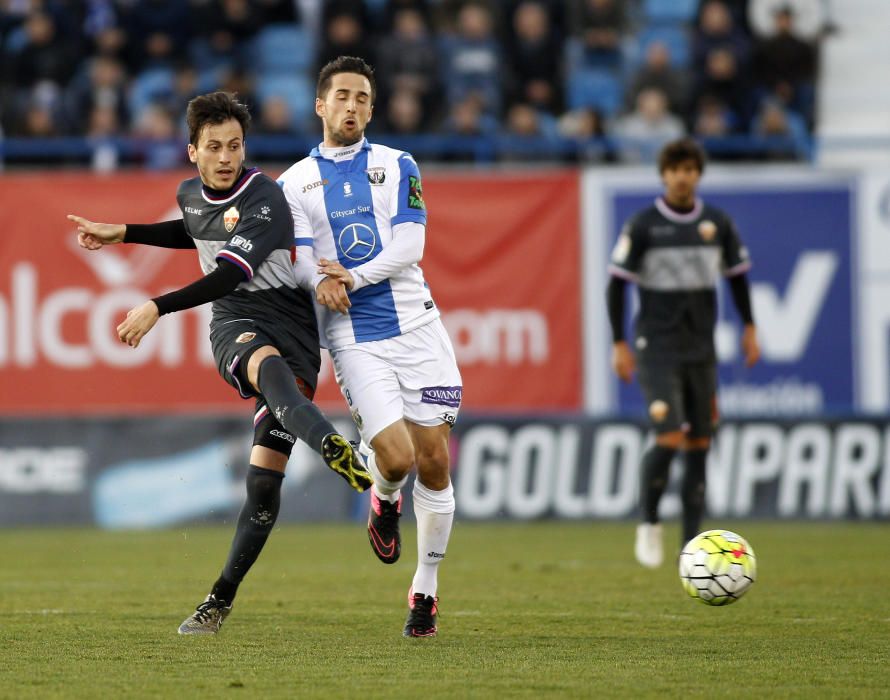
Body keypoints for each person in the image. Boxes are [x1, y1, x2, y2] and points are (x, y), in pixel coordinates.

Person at [68, 91, 372, 635]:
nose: (227, 156)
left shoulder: (265, 198)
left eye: (235, 146)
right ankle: (331, 444)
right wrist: (126, 232)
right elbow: (192, 227)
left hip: (293, 325)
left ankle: (218, 600)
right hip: (236, 321)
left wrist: (157, 305)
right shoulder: (190, 194)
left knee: (262, 486)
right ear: (193, 152)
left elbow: (230, 268)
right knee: (267, 370)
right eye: (215, 147)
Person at [278, 56, 462, 638]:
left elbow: (411, 245)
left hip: (417, 326)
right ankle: (384, 497)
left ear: (371, 109)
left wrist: (350, 278)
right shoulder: (293, 183)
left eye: (362, 98)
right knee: (399, 459)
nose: (352, 106)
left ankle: (425, 592)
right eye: (342, 97)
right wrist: (320, 280)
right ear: (320, 105)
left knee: (434, 463)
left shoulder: (397, 163)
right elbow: (302, 256)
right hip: (355, 338)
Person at [606, 137, 760, 568]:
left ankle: (691, 546)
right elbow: (616, 285)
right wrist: (619, 342)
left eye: (689, 169)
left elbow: (738, 278)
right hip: (656, 346)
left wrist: (750, 326)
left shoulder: (717, 223)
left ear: (698, 173)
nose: (681, 176)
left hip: (701, 348)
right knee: (670, 434)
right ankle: (649, 521)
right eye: (674, 169)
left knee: (699, 442)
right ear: (663, 174)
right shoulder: (643, 225)